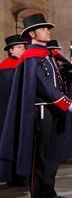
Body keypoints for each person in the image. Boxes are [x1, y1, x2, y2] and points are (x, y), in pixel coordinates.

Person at [0, 13, 72, 198]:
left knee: (52, 157)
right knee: (41, 158)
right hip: (42, 112)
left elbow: (68, 76)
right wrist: (67, 103)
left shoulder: (49, 55)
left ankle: (49, 192)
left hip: (55, 112)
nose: (48, 31)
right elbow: (43, 84)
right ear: (32, 34)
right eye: (44, 28)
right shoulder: (31, 57)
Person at [0, 34, 27, 186]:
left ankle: (18, 176)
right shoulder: (7, 68)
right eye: (20, 47)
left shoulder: (19, 65)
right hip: (9, 113)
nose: (24, 49)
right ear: (12, 50)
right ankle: (15, 177)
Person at [47, 39, 72, 162]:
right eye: (56, 50)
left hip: (63, 98)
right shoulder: (49, 61)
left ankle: (63, 153)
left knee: (63, 130)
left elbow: (70, 70)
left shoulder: (58, 60)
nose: (58, 52)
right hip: (53, 100)